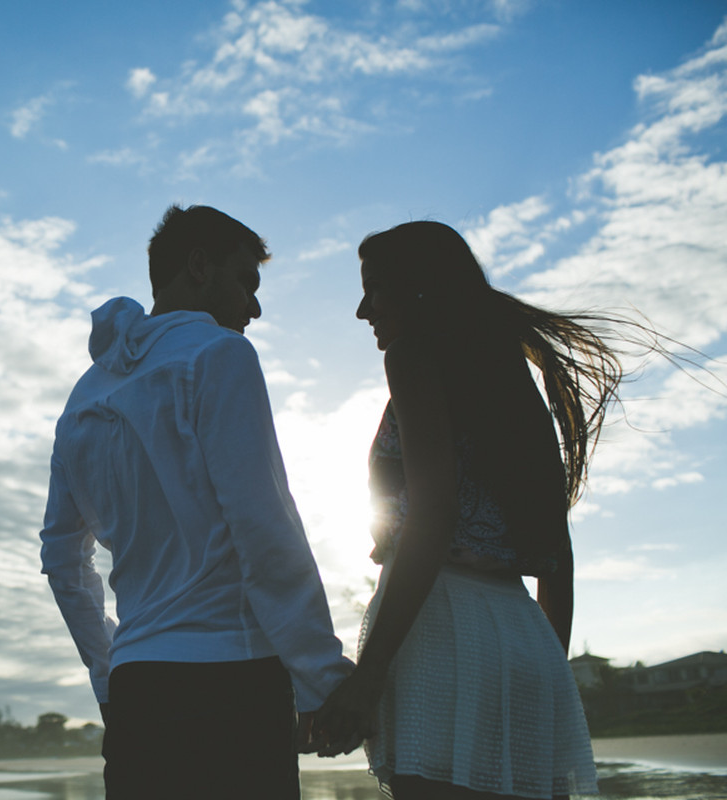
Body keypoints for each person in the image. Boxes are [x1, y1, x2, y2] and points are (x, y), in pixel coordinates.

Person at [40, 204, 353, 799]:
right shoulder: (219, 355)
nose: (254, 307)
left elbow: (61, 559)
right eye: (246, 282)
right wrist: (322, 680)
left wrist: (110, 675)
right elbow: (264, 531)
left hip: (137, 693)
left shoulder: (83, 397)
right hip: (230, 684)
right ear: (200, 266)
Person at [313, 220, 604, 799]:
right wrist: (549, 676)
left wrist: (367, 678)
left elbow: (434, 514)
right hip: (525, 639)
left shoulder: (411, 356)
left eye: (373, 287)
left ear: (418, 290)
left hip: (442, 634)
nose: (362, 310)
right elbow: (558, 555)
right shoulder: (512, 389)